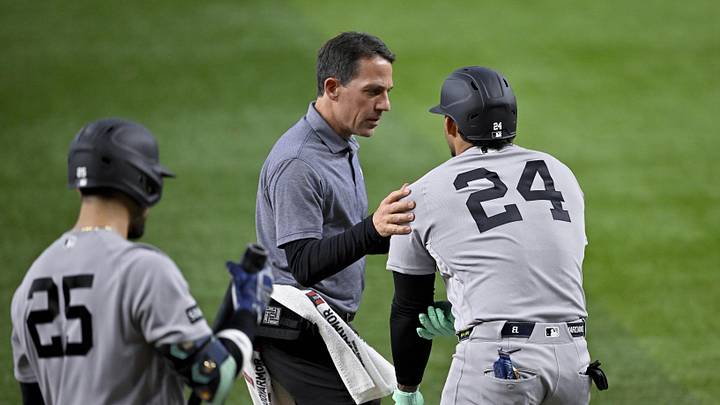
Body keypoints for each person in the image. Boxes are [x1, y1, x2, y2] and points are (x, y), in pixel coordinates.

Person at [10, 118, 273, 405]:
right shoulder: (141, 270)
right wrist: (247, 314)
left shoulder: (28, 286)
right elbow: (212, 379)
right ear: (143, 184)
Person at [387, 67, 607, 405]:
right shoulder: (560, 173)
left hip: (499, 364)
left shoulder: (420, 194)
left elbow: (408, 310)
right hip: (574, 363)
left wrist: (407, 389)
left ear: (450, 125)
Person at [254, 32, 415, 405]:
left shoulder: (340, 143)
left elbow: (344, 238)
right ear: (333, 87)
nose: (386, 104)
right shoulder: (300, 162)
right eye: (373, 91)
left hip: (323, 326)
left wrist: (415, 235)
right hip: (294, 332)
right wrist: (373, 227)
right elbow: (305, 262)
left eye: (387, 91)